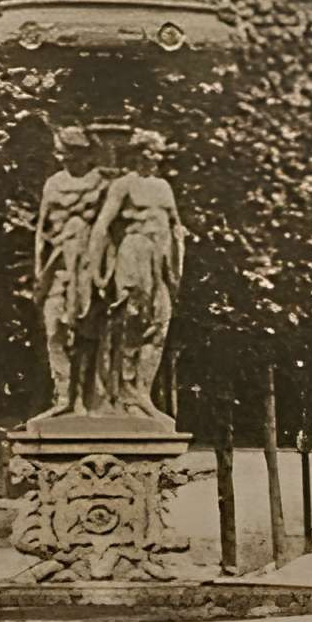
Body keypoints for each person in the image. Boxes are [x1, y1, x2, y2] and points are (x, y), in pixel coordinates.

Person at [92, 129, 185, 416]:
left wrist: (177, 264)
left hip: (161, 259)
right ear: (136, 155)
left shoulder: (163, 187)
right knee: (132, 319)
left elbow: (175, 225)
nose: (153, 160)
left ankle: (143, 392)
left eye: (158, 155)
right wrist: (98, 271)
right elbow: (102, 226)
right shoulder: (124, 185)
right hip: (135, 252)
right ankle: (125, 392)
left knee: (159, 324)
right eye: (148, 153)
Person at [32, 124, 113, 414]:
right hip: (58, 267)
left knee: (85, 335)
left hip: (89, 271)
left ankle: (85, 399)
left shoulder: (101, 183)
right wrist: (39, 272)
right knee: (55, 330)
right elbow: (42, 230)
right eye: (62, 154)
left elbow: (111, 230)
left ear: (85, 154)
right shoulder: (53, 183)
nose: (66, 160)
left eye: (71, 154)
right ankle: (63, 396)